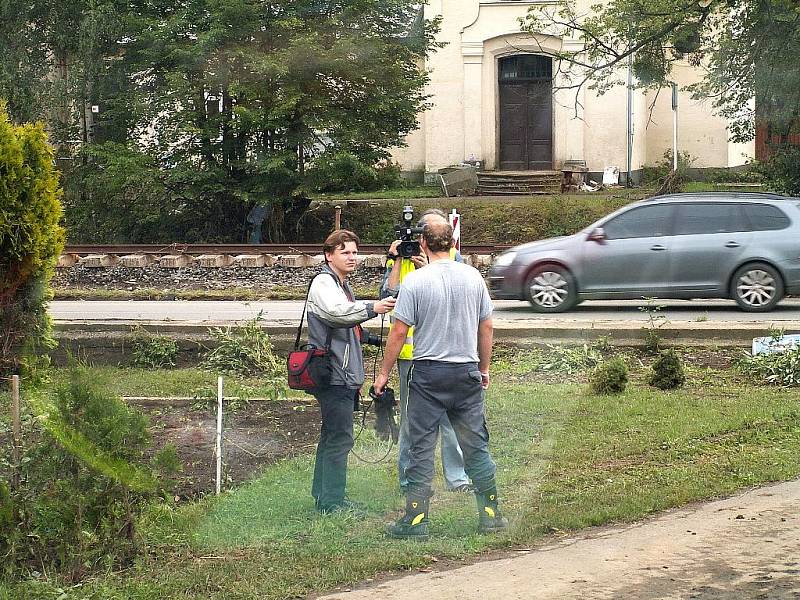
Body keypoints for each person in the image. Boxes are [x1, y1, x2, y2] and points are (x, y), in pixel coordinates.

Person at [373, 219, 508, 539]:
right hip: (465, 374)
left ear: (422, 244)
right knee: (475, 446)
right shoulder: (474, 277)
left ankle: (416, 522)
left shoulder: (416, 282)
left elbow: (399, 331)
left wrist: (382, 374)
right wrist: (484, 369)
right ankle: (490, 515)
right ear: (453, 244)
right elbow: (486, 327)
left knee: (420, 448)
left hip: (428, 375)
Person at [381, 209, 472, 493]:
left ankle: (457, 478)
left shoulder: (453, 261)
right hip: (411, 356)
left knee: (450, 420)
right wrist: (396, 260)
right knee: (412, 420)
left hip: (444, 352)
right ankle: (409, 478)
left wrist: (426, 270)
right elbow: (387, 296)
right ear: (420, 237)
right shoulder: (401, 257)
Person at [307, 229, 396, 514]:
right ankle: (333, 503)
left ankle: (324, 496)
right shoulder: (323, 282)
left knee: (331, 435)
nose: (352, 257)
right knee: (340, 437)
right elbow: (338, 313)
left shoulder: (341, 284)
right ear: (328, 255)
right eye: (345, 252)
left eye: (355, 252)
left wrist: (380, 338)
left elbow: (348, 324)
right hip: (333, 374)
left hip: (341, 374)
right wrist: (374, 307)